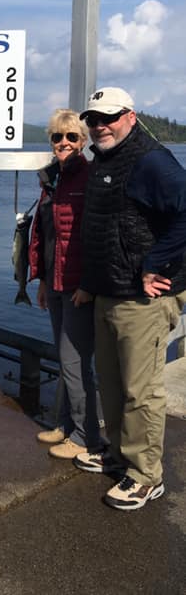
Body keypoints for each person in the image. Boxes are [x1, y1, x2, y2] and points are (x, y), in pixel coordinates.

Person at [73, 86, 186, 510]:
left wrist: (156, 262)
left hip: (143, 298)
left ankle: (145, 476)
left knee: (142, 390)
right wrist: (89, 280)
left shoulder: (151, 160)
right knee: (114, 383)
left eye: (110, 117)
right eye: (94, 119)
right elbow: (101, 228)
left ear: (131, 116)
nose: (100, 125)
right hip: (107, 291)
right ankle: (119, 454)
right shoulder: (104, 159)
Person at [29, 109, 102, 459]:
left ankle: (87, 436)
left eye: (71, 137)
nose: (64, 143)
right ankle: (64, 424)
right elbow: (45, 235)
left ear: (83, 142)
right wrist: (42, 281)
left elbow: (95, 238)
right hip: (55, 283)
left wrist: (88, 284)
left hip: (78, 287)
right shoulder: (51, 182)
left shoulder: (89, 178)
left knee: (75, 363)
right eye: (57, 137)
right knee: (63, 357)